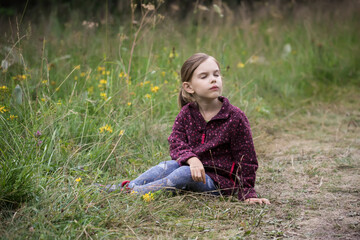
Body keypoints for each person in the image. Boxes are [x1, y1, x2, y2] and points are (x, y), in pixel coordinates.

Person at [100, 53, 270, 204]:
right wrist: (192, 159)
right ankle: (125, 187)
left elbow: (247, 158)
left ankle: (137, 194)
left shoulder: (234, 117)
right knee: (167, 166)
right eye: (204, 76)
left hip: (219, 182)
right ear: (189, 87)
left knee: (183, 173)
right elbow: (176, 142)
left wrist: (248, 192)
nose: (213, 79)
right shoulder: (187, 114)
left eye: (216, 74)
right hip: (191, 167)